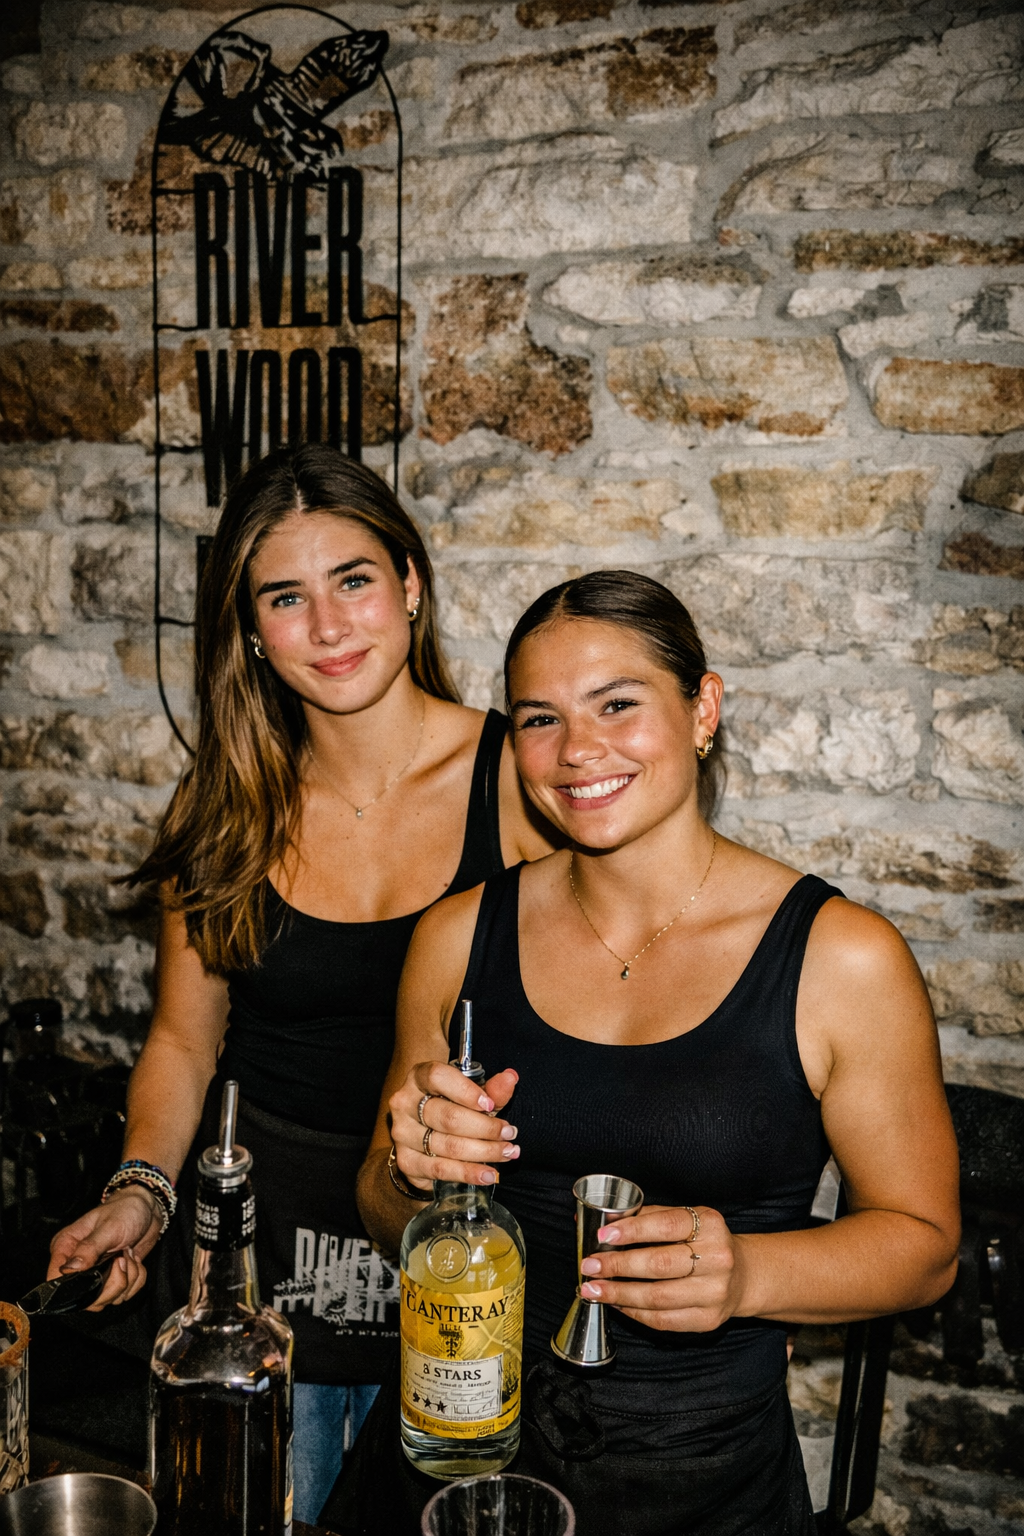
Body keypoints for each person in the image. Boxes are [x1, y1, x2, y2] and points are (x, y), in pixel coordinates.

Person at [340, 569, 960, 1535]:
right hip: (459, 1448)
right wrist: (409, 1170)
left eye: (618, 704)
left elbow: (924, 1251)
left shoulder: (841, 957)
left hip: (697, 1474)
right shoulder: (457, 936)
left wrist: (750, 1276)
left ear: (702, 707)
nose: (577, 750)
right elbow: (386, 1218)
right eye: (539, 719)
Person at [46, 445, 553, 1524]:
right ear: (251, 630)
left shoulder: (521, 781)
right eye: (286, 596)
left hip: (456, 1258)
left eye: (354, 580)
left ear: (411, 586)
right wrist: (140, 1194)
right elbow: (185, 1045)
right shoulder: (225, 802)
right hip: (260, 1275)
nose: (328, 627)